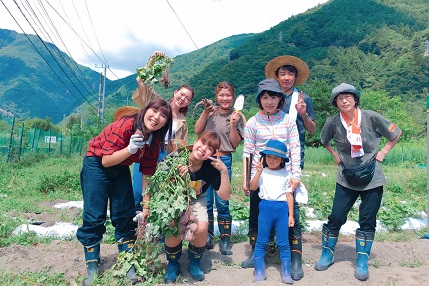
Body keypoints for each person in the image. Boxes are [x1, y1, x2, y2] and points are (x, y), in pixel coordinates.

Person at [76, 98, 172, 285]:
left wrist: (146, 206)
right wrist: (130, 149)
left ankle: (128, 263)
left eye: (163, 116)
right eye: (154, 111)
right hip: (96, 163)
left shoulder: (154, 141)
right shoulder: (126, 125)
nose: (156, 117)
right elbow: (105, 161)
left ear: (165, 123)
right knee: (94, 215)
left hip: (120, 166)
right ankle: (93, 266)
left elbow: (147, 173)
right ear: (146, 110)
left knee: (124, 213)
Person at [315, 83, 402, 281]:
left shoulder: (371, 117)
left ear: (355, 99)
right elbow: (324, 140)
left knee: (367, 218)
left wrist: (383, 152)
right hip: (346, 176)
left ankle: (362, 259)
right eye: (339, 98)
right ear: (335, 103)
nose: (344, 100)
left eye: (348, 97)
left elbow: (396, 133)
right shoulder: (333, 122)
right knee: (336, 216)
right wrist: (336, 156)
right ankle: (327, 253)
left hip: (372, 176)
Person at [262, 55, 316, 280]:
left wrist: (303, 113)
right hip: (268, 158)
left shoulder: (303, 99)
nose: (286, 77)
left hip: (293, 157)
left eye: (290, 73)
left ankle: (295, 256)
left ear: (296, 77)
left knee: (290, 201)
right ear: (276, 76)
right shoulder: (269, 98)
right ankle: (262, 250)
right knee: (264, 199)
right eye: (282, 73)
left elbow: (312, 130)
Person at [241, 78, 301, 271]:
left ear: (280, 99)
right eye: (265, 97)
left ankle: (293, 256)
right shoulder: (252, 122)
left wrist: (296, 175)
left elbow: (295, 148)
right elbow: (248, 152)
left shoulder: (288, 120)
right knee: (256, 215)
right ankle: (256, 253)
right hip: (261, 177)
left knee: (290, 214)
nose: (269, 101)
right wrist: (246, 179)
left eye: (273, 97)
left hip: (285, 175)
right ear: (260, 100)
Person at [162, 131, 231, 283]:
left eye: (210, 148)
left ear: (212, 153)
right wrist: (176, 177)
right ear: (196, 140)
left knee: (201, 228)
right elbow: (161, 186)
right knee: (172, 224)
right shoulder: (177, 157)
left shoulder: (210, 167)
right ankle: (173, 262)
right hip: (174, 197)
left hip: (197, 199)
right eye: (203, 143)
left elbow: (224, 196)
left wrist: (224, 171)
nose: (203, 148)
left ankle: (194, 262)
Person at [131, 51, 195, 212]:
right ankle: (134, 229)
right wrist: (153, 60)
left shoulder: (183, 122)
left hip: (166, 156)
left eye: (187, 98)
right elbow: (141, 80)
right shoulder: (157, 104)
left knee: (159, 191)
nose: (183, 99)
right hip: (146, 150)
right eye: (181, 94)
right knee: (138, 190)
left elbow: (182, 146)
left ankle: (153, 228)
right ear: (175, 93)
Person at [194, 81, 244, 255]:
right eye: (221, 95)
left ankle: (225, 239)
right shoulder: (211, 112)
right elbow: (197, 130)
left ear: (233, 97)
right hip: (205, 160)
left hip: (224, 160)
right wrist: (205, 112)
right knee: (206, 201)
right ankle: (207, 235)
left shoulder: (237, 116)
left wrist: (232, 124)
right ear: (216, 96)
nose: (225, 98)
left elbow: (236, 143)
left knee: (222, 202)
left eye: (228, 95)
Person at [249, 139, 294, 284]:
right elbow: (253, 187)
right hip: (265, 208)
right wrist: (257, 173)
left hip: (281, 210)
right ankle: (260, 271)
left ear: (282, 160)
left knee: (283, 242)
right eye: (269, 156)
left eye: (276, 158)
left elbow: (289, 195)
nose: (272, 160)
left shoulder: (286, 174)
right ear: (264, 157)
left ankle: (286, 272)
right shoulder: (262, 173)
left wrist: (291, 215)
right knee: (262, 240)